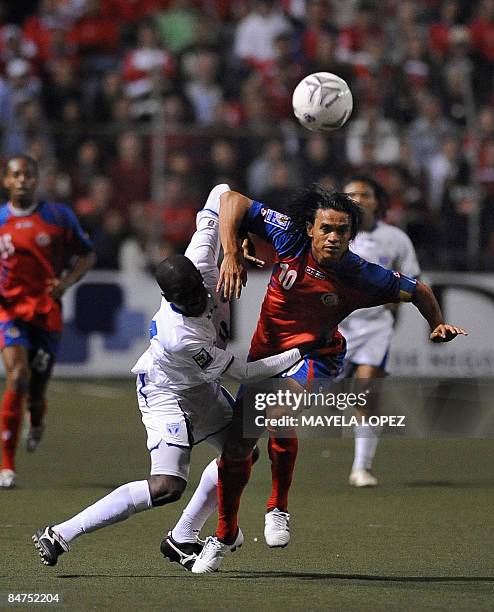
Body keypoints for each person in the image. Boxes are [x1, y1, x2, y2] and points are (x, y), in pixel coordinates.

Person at [32, 184, 327, 568]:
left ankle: (182, 536)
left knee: (242, 453)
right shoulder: (180, 336)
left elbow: (221, 193)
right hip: (166, 391)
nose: (199, 301)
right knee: (168, 486)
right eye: (186, 301)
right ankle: (62, 533)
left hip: (201, 387)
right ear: (171, 300)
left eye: (196, 292)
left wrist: (234, 242)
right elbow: (245, 371)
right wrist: (301, 350)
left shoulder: (202, 258)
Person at [191, 184, 467, 573]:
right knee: (236, 448)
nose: (333, 237)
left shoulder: (362, 275)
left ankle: (278, 508)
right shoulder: (287, 235)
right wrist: (233, 249)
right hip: (265, 357)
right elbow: (230, 200)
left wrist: (437, 324)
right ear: (310, 228)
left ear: (351, 235)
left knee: (280, 413)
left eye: (342, 231)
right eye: (326, 229)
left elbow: (418, 289)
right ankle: (222, 536)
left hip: (315, 356)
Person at [0, 155, 95, 490]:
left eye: (28, 174)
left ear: (36, 179)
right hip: (9, 311)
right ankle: (7, 465)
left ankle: (36, 418)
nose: (22, 180)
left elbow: (87, 253)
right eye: (15, 175)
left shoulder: (57, 216)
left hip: (45, 310)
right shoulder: (0, 220)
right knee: (18, 375)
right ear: (6, 181)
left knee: (36, 391)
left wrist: (66, 282)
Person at [339, 175, 421, 487]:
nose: (359, 199)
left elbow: (412, 280)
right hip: (336, 326)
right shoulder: (333, 233)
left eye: (366, 194)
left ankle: (361, 466)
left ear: (378, 201)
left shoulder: (395, 238)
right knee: (311, 391)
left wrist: (393, 308)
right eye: (352, 194)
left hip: (375, 326)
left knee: (367, 391)